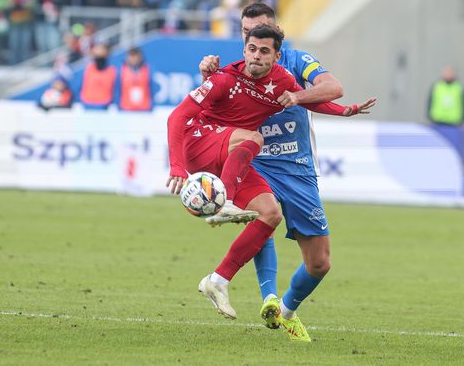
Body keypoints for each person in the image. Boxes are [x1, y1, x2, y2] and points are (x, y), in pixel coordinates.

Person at [166, 25, 371, 337]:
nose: (256, 56)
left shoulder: (282, 81)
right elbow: (177, 117)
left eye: (264, 51)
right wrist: (177, 167)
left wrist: (344, 111)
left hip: (234, 153)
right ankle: (228, 203)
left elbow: (306, 101)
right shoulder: (224, 78)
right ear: (244, 49)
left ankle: (218, 280)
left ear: (276, 56)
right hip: (200, 142)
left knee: (270, 213)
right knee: (254, 137)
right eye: (251, 49)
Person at [78, 43, 118, 110]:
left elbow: (116, 90)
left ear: (107, 52)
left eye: (101, 49)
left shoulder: (112, 71)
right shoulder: (88, 69)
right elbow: (80, 87)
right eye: (97, 49)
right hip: (87, 105)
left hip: (104, 106)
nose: (98, 52)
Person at [117, 46, 154, 112]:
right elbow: (118, 89)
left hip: (144, 109)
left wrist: (151, 105)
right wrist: (118, 106)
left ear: (140, 56)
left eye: (135, 55)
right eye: (131, 55)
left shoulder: (147, 69)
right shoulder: (122, 70)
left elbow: (152, 88)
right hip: (126, 108)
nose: (133, 58)